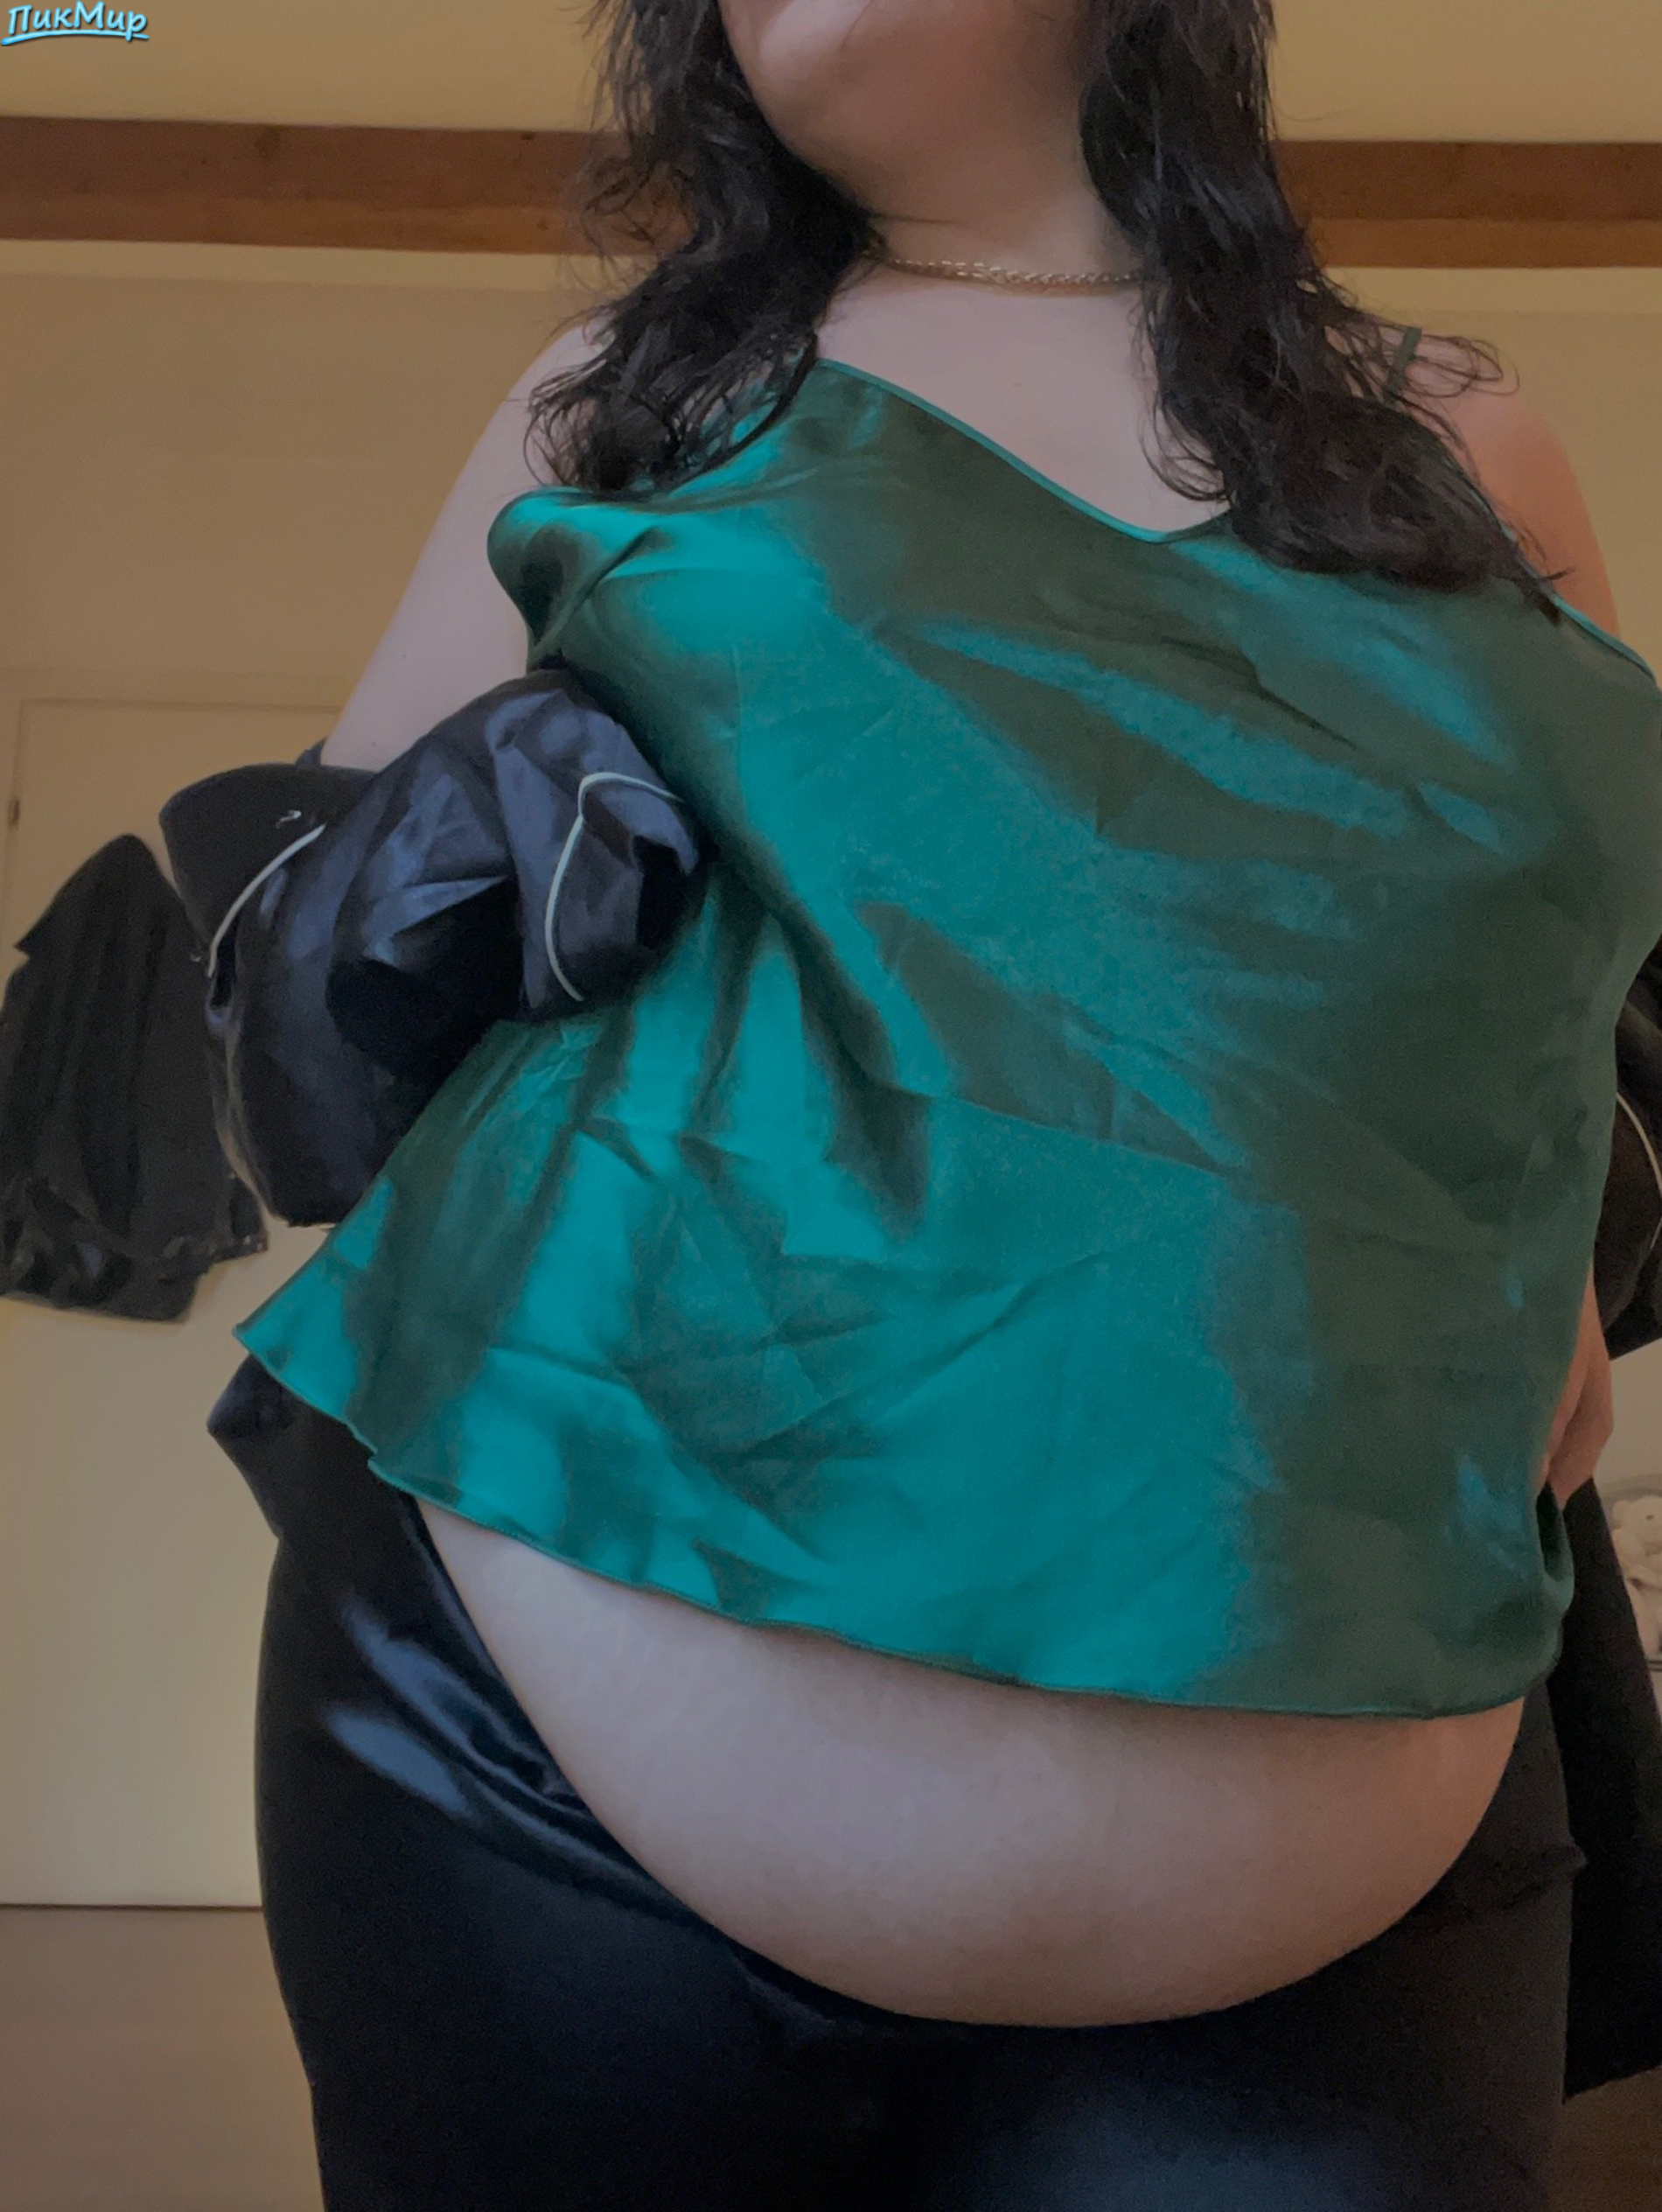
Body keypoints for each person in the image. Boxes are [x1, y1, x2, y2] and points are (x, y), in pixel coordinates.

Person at [196, 2, 1662, 2204]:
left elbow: (1570, 971)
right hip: (528, 1773)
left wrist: (1561, 1232)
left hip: (1352, 1753)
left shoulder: (1456, 435)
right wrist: (442, 843)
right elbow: (288, 1037)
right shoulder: (631, 397)